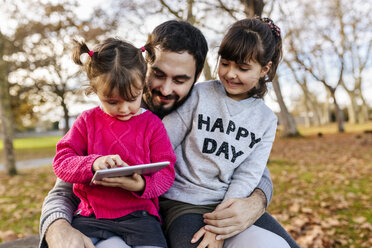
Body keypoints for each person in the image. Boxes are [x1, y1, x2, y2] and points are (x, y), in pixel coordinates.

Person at [39, 20, 299, 248]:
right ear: (143, 67)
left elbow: (249, 167)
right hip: (142, 217)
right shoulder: (111, 112)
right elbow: (67, 183)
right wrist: (56, 226)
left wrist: (257, 201)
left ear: (197, 78)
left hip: (197, 213)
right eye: (158, 75)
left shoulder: (205, 103)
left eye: (180, 80)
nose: (165, 89)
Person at [159, 17, 284, 248]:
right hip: (183, 203)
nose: (230, 74)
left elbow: (248, 174)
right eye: (225, 63)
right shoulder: (199, 95)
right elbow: (163, 141)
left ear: (264, 69)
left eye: (243, 68)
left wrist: (220, 225)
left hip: (230, 203)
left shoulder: (266, 120)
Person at [51, 37, 176, 248]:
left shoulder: (152, 125)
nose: (124, 109)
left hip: (141, 216)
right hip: (92, 215)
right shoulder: (87, 121)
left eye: (132, 98)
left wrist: (141, 185)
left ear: (142, 86)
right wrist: (92, 164)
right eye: (112, 102)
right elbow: (61, 162)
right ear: (95, 90)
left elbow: (166, 172)